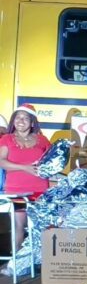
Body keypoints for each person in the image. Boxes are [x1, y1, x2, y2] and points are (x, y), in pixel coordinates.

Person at [0, 104, 51, 250]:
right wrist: (25, 168)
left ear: (32, 122)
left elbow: (52, 161)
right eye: (17, 117)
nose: (20, 121)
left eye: (25, 118)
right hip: (16, 191)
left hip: (40, 191)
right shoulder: (6, 139)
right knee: (18, 226)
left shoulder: (42, 140)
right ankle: (16, 263)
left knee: (40, 228)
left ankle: (41, 263)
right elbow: (1, 161)